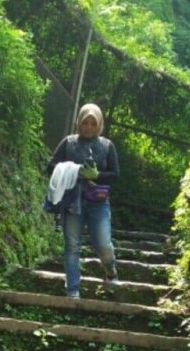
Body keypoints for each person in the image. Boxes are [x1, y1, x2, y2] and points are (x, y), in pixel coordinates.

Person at [47, 103, 119, 298]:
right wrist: (74, 170)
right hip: (72, 201)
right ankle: (72, 290)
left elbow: (115, 174)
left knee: (103, 243)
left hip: (98, 201)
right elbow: (51, 166)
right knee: (72, 245)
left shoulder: (107, 146)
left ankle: (111, 270)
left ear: (99, 125)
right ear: (78, 122)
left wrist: (97, 175)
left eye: (92, 123)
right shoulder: (68, 143)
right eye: (85, 122)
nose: (88, 127)